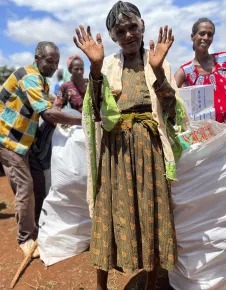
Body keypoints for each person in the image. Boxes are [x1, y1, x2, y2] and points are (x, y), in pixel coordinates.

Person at [74, 1, 189, 290]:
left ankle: (151, 283)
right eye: (120, 30)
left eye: (132, 27)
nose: (128, 35)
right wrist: (96, 68)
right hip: (115, 154)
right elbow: (96, 112)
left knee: (152, 211)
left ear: (142, 27)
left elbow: (173, 113)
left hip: (149, 152)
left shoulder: (159, 64)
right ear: (113, 37)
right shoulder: (109, 64)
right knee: (109, 213)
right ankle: (102, 285)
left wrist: (159, 71)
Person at [0, 41, 81, 258]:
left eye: (56, 62)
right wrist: (79, 120)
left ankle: (37, 223)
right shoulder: (29, 77)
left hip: (25, 140)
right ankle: (25, 237)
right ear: (37, 59)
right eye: (49, 61)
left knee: (38, 180)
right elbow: (48, 114)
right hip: (8, 140)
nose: (54, 66)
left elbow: (51, 105)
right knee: (25, 187)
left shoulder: (41, 81)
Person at [174, 18, 226, 123]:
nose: (206, 38)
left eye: (210, 34)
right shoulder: (185, 71)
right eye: (202, 33)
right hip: (206, 133)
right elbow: (169, 96)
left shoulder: (223, 59)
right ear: (192, 37)